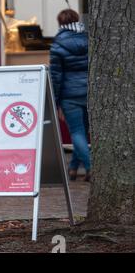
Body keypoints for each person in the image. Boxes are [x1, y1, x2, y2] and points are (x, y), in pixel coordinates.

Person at [50, 9, 91, 182]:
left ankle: (91, 167)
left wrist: (55, 100)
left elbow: (56, 76)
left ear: (60, 24)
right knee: (84, 132)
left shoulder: (58, 45)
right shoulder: (90, 39)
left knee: (76, 132)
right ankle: (73, 168)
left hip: (69, 96)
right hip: (89, 93)